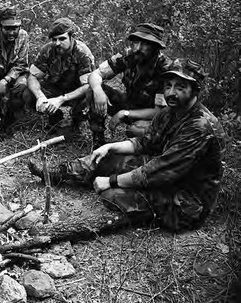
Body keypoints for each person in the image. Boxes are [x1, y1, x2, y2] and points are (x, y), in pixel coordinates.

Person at [29, 59, 225, 232]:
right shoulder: (170, 112)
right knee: (107, 157)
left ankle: (134, 210)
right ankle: (60, 173)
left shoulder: (200, 126)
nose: (171, 93)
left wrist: (112, 180)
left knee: (111, 194)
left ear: (195, 90)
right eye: (168, 86)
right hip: (167, 177)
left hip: (187, 201)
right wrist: (110, 147)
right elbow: (145, 143)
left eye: (180, 87)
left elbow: (160, 170)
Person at [87, 23, 173, 148]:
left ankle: (145, 149)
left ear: (155, 47)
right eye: (136, 43)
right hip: (130, 102)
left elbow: (159, 111)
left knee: (135, 130)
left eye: (144, 44)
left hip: (149, 115)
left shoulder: (165, 69)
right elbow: (95, 74)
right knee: (93, 90)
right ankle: (98, 141)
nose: (138, 48)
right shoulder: (129, 56)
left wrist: (124, 113)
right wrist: (98, 90)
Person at [24, 17, 95, 135]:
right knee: (27, 92)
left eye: (62, 39)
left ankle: (76, 123)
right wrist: (40, 96)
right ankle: (55, 118)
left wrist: (61, 99)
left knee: (92, 95)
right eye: (54, 39)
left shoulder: (83, 53)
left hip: (76, 92)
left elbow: (88, 86)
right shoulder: (48, 49)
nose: (57, 43)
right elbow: (32, 76)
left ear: (72, 37)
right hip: (55, 87)